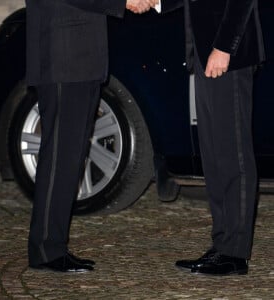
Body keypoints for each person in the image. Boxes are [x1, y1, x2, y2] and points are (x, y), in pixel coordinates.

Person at [25, 0, 158, 273]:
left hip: (82, 59)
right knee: (60, 155)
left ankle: (53, 245)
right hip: (62, 57)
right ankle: (45, 249)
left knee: (71, 157)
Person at [158, 0, 265, 275]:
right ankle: (223, 245)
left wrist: (224, 47)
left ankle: (235, 253)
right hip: (206, 52)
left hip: (226, 54)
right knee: (215, 154)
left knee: (233, 154)